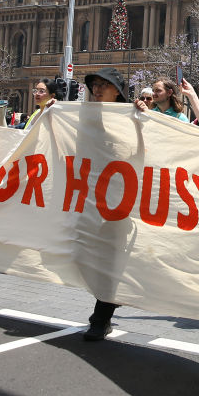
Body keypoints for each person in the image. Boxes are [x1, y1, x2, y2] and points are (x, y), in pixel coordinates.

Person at [80, 67, 131, 341]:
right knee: (90, 253)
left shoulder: (131, 117)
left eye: (104, 85)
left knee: (110, 257)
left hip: (120, 198)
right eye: (95, 85)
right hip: (89, 196)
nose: (97, 90)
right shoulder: (85, 116)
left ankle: (102, 316)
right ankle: (106, 303)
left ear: (118, 91)